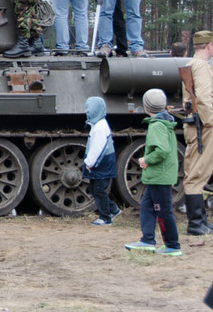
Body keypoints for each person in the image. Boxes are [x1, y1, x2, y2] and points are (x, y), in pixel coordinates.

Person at [124, 88, 181, 256]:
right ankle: (147, 240)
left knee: (163, 211)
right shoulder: (164, 123)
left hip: (159, 175)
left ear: (146, 107)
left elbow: (162, 151)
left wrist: (145, 160)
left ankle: (172, 245)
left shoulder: (156, 126)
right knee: (147, 208)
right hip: (157, 175)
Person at [180, 31, 213, 235]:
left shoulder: (193, 64)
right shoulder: (200, 66)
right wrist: (211, 122)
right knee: (197, 174)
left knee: (198, 173)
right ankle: (196, 224)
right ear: (209, 45)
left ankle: (200, 220)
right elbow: (204, 97)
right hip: (205, 126)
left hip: (199, 125)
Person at [81, 97, 120, 225]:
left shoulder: (99, 127)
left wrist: (89, 162)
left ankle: (105, 217)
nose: (87, 112)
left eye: (89, 109)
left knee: (99, 190)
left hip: (101, 165)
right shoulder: (97, 125)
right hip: (102, 165)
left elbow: (98, 148)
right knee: (95, 189)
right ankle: (113, 209)